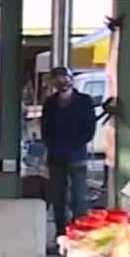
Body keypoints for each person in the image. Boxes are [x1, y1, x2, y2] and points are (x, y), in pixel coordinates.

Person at [41, 67, 97, 239]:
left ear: (72, 79)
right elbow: (45, 130)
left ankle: (79, 234)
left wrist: (73, 144)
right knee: (58, 199)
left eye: (65, 77)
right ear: (53, 82)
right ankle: (62, 235)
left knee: (79, 198)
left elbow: (89, 130)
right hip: (56, 157)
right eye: (58, 79)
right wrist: (53, 145)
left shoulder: (84, 101)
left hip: (77, 155)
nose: (62, 82)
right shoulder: (50, 103)